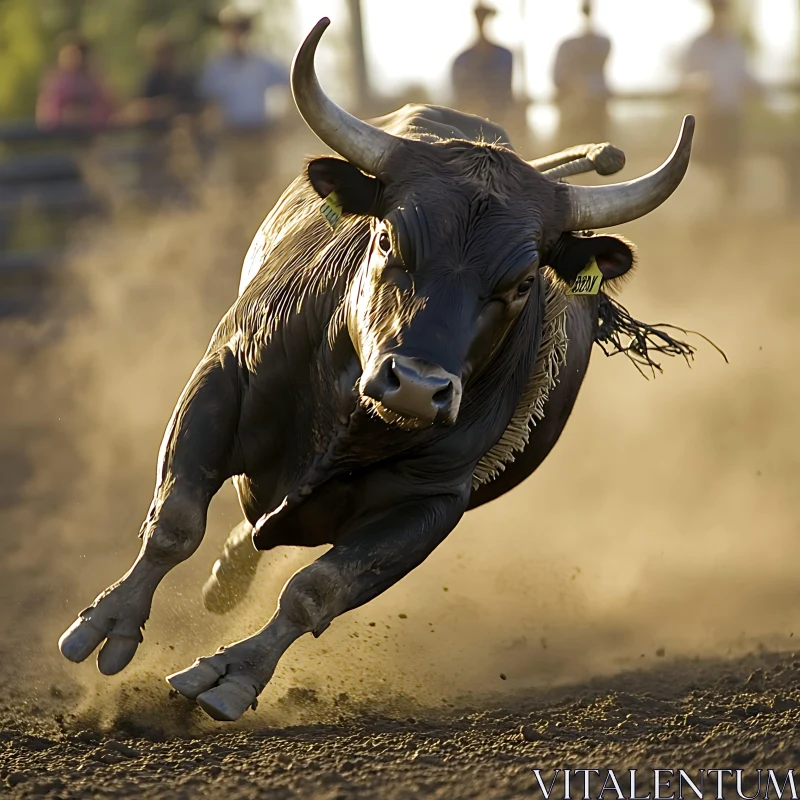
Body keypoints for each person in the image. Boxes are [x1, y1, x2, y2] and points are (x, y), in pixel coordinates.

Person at [199, 7, 289, 194]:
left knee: (264, 185)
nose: (236, 34)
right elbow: (209, 103)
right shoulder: (217, 67)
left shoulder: (261, 62)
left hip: (260, 133)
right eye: (231, 29)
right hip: (234, 135)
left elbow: (288, 79)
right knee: (239, 187)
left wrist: (285, 114)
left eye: (240, 29)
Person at [680, 0, 760, 197]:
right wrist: (699, 84)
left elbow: (743, 75)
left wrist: (755, 87)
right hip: (709, 116)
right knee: (708, 162)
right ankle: (711, 204)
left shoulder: (735, 44)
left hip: (732, 115)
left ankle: (728, 207)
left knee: (731, 164)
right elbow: (685, 78)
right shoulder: (699, 45)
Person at [552, 1, 612, 148]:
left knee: (598, 152)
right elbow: (558, 77)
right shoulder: (569, 46)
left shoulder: (602, 43)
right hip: (572, 113)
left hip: (594, 111)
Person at [451, 4, 515, 129]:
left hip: (501, 118)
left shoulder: (504, 55)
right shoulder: (462, 60)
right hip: (471, 122)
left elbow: (507, 90)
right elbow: (460, 95)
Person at [36, 33, 114, 130]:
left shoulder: (94, 82)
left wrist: (87, 116)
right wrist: (64, 116)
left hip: (90, 137)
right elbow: (45, 114)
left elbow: (107, 110)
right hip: (60, 137)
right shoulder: (53, 83)